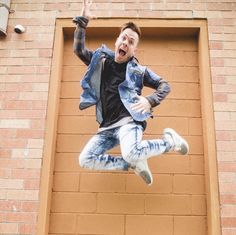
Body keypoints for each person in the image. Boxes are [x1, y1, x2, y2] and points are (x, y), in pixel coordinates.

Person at [73, 0, 189, 185]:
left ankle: (169, 141)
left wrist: (150, 100)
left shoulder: (139, 71)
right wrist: (82, 22)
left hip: (129, 122)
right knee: (85, 159)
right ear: (117, 40)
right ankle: (132, 165)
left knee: (131, 151)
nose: (126, 43)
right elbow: (78, 50)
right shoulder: (101, 60)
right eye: (124, 38)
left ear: (135, 49)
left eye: (131, 42)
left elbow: (164, 85)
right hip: (106, 128)